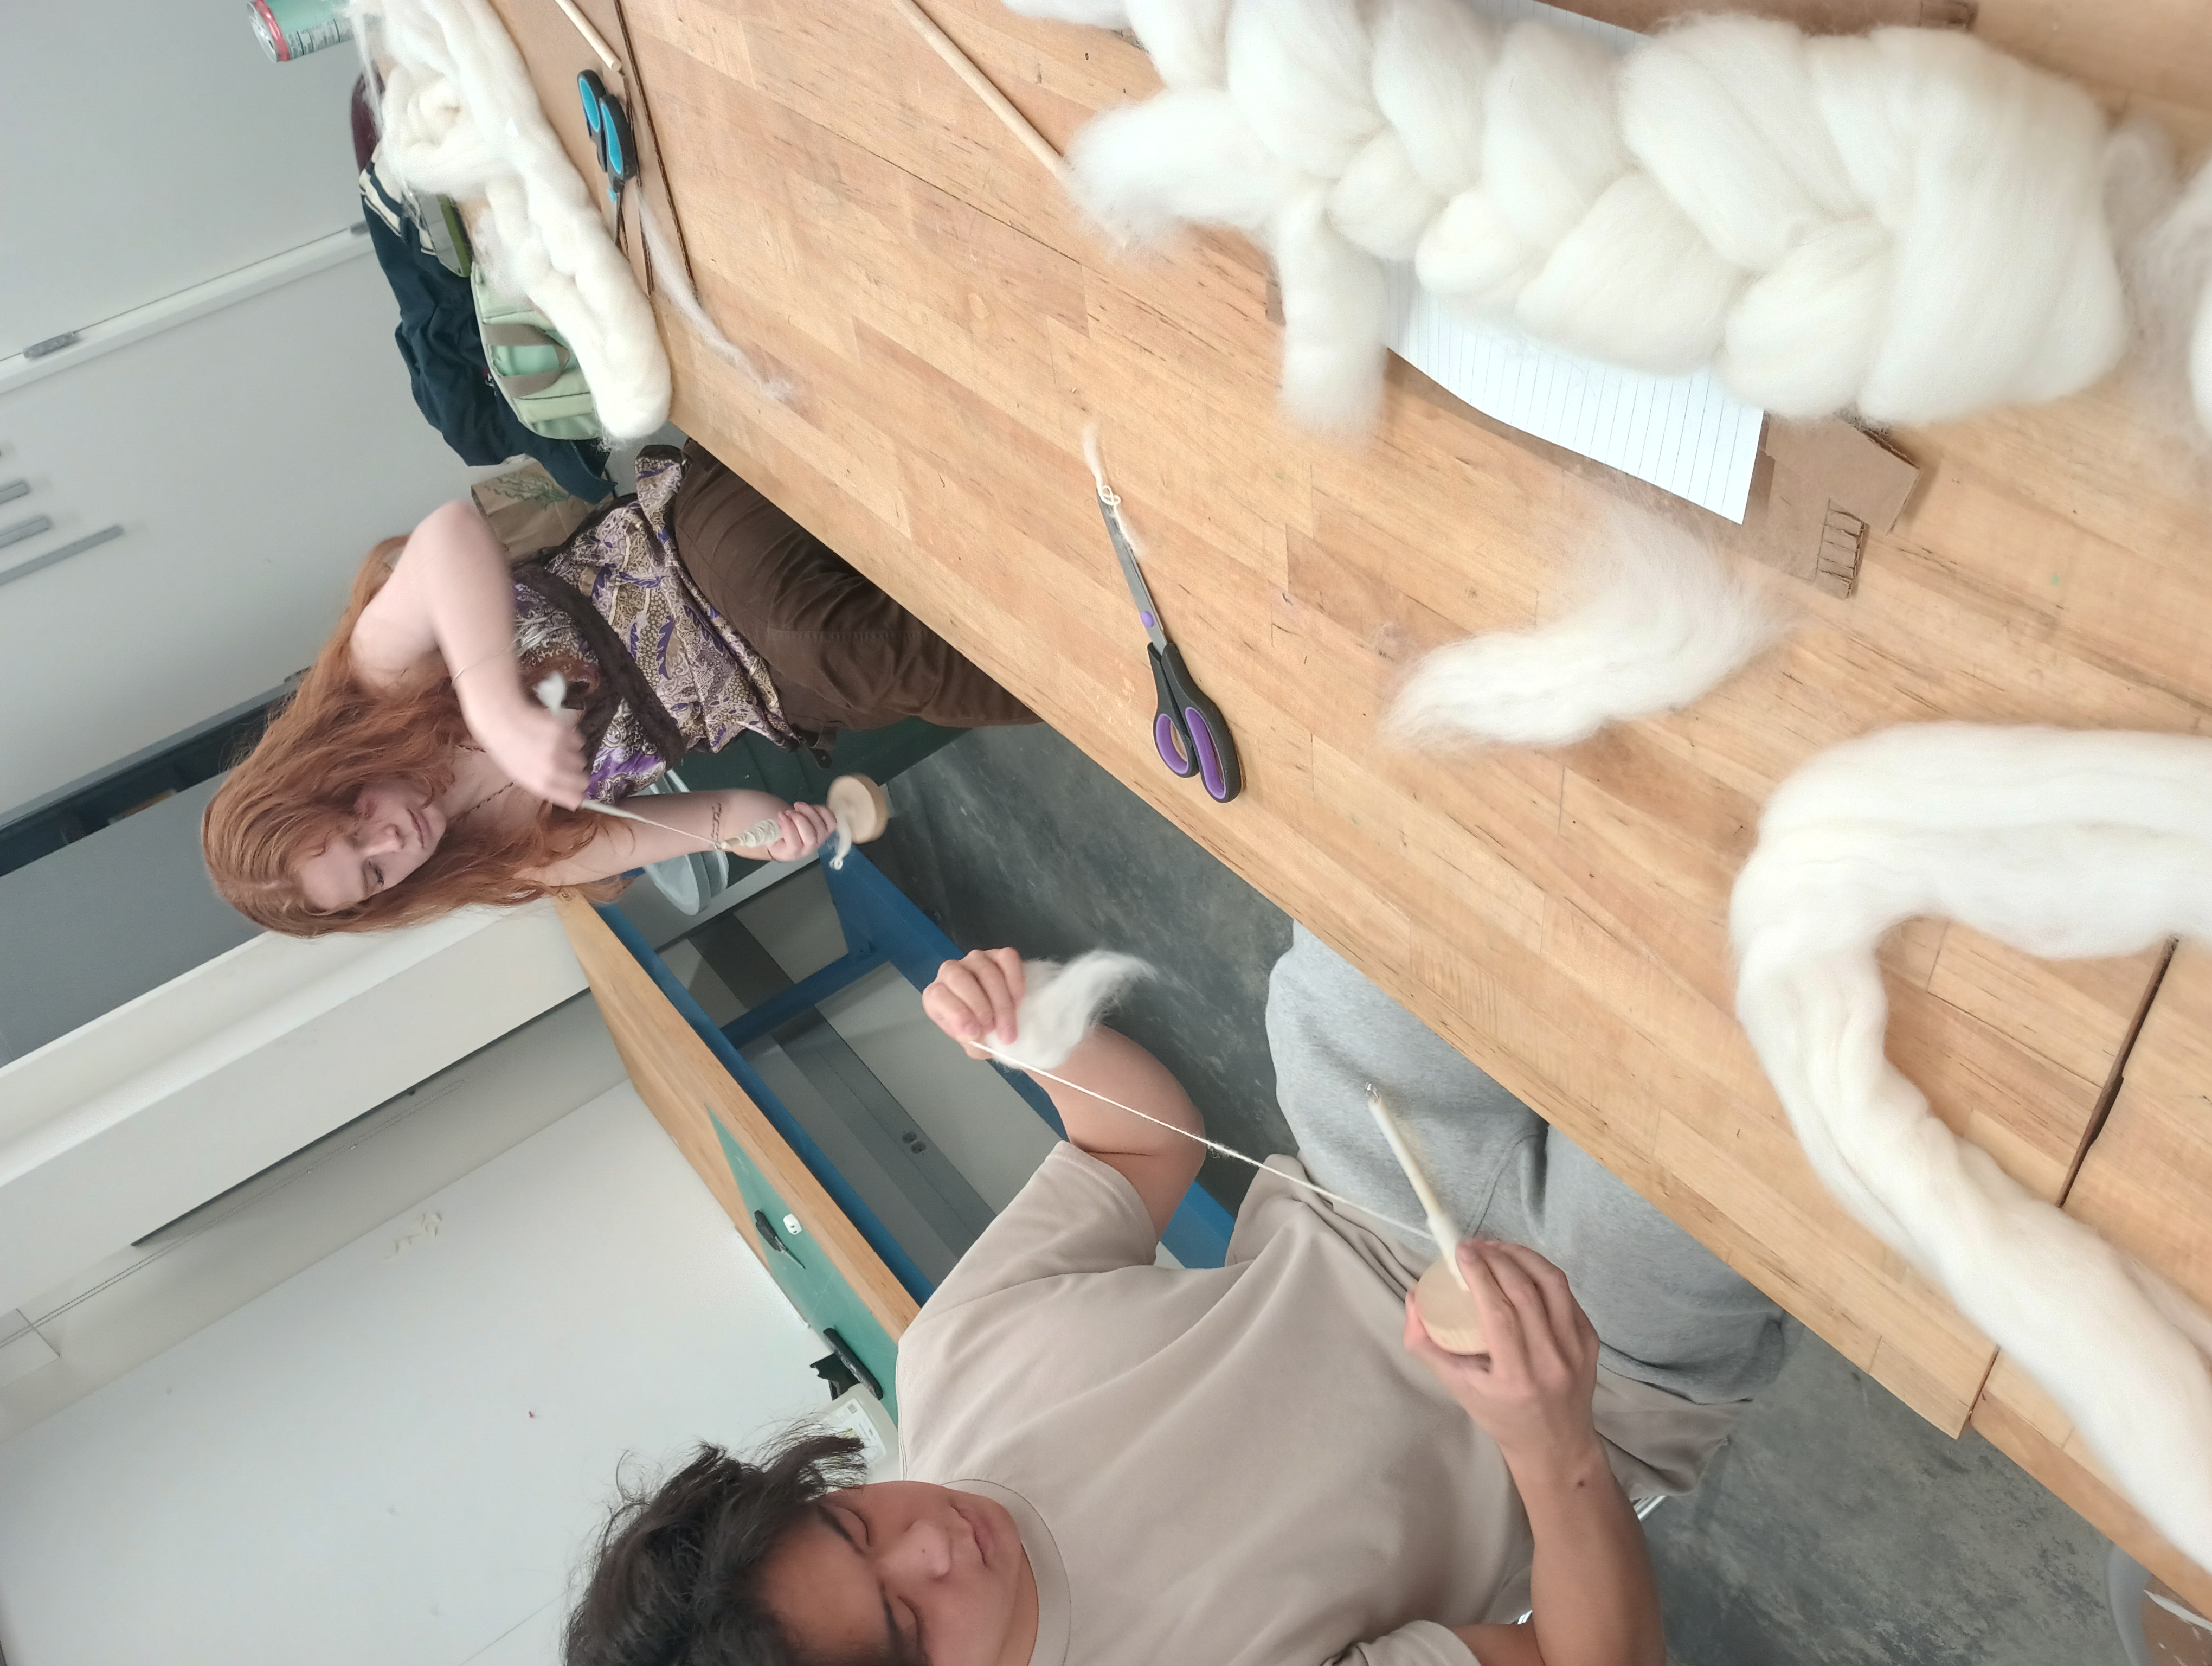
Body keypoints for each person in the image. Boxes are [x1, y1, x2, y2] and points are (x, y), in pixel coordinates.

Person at [562, 925, 1789, 1666]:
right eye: (909, 1627)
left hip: (1360, 1181)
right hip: (1599, 1376)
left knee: (1395, 885)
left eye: (853, 1526)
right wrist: (1552, 1441)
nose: (933, 1542)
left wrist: (1040, 1038)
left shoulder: (954, 1364)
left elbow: (1135, 1144)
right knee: (1755, 1088)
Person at [203, 441, 1033, 936]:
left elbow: (447, 536)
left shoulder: (381, 681)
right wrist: (773, 833)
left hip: (691, 552)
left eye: (354, 825)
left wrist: (493, 704)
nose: (391, 841)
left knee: (834, 645)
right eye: (376, 874)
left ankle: (1073, 662)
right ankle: (1080, 658)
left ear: (326, 776)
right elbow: (713, 819)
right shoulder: (520, 856)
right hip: (772, 692)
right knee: (889, 676)